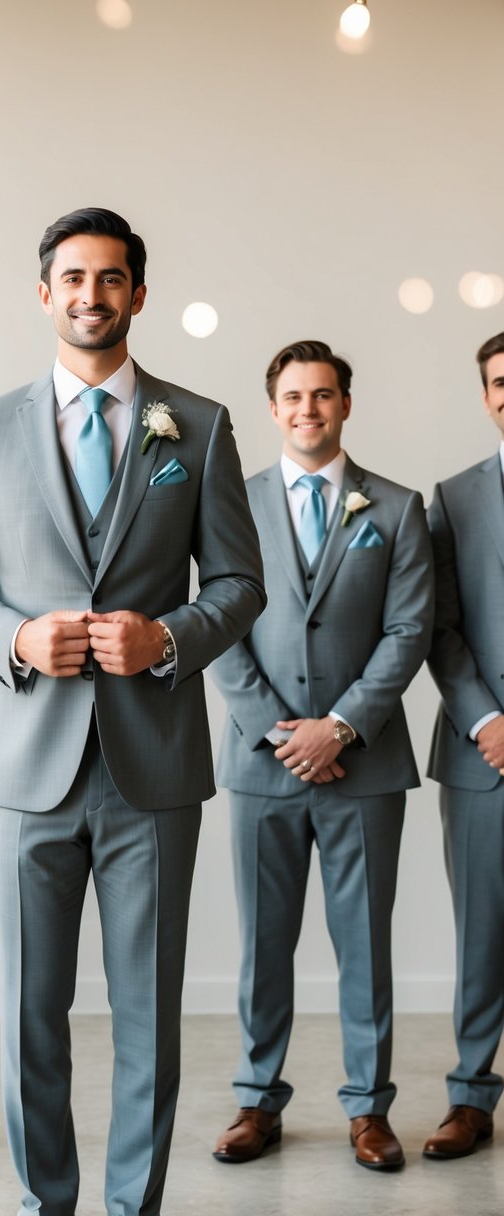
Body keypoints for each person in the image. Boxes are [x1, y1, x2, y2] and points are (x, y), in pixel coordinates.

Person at [0, 207, 264, 1216]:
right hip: (28, 765)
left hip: (153, 769)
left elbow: (238, 583)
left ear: (137, 295)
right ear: (44, 294)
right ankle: (45, 1203)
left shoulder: (194, 426)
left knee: (147, 1016)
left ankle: (132, 1207)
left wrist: (168, 639)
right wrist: (17, 641)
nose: (90, 296)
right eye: (72, 278)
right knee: (31, 1012)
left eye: (109, 279)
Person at [210, 339, 433, 1171]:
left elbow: (408, 629)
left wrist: (336, 726)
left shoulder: (396, 508)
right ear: (273, 409)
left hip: (363, 766)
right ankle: (256, 1102)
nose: (308, 410)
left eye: (323, 396)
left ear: (345, 405)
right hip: (260, 766)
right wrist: (280, 730)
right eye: (293, 397)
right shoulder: (231, 502)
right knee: (263, 943)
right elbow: (217, 626)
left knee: (363, 944)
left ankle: (368, 1110)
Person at [424, 330, 504, 1159]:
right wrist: (486, 720)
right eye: (497, 381)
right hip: (486, 755)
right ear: (485, 396)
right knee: (481, 933)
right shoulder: (451, 499)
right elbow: (438, 630)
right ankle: (471, 1096)